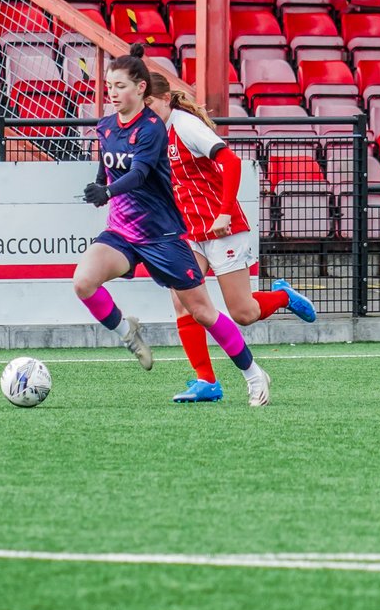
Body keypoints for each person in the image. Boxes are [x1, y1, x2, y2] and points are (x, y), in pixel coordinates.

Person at [72, 44, 273, 407]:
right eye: (109, 87)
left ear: (141, 89)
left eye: (119, 86)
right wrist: (98, 184)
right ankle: (129, 332)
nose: (112, 94)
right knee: (83, 281)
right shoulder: (104, 127)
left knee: (206, 311)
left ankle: (253, 373)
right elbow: (108, 168)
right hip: (122, 232)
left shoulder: (154, 129)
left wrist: (108, 189)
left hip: (163, 235)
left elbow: (139, 174)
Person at [143, 73, 315, 403]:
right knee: (182, 302)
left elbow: (231, 162)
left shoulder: (185, 126)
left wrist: (223, 212)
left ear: (165, 100)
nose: (146, 112)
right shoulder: (151, 135)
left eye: (149, 104)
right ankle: (206, 381)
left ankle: (282, 297)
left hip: (223, 227)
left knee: (243, 313)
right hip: (189, 231)